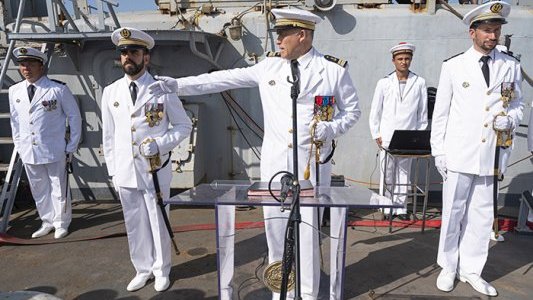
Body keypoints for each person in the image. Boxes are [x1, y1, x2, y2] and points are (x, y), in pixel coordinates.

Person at [149, 8, 361, 300]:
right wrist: (177, 85)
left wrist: (331, 128)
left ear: (302, 35)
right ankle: (281, 290)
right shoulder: (269, 67)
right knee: (275, 229)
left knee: (308, 233)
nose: (278, 40)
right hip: (275, 165)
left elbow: (352, 111)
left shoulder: (333, 70)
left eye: (283, 34)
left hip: (311, 165)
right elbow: (223, 79)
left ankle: (309, 293)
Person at [430, 1, 523, 296]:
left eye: (496, 31)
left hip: (491, 155)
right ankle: (448, 265)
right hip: (459, 153)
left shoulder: (511, 65)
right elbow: (440, 114)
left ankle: (472, 269)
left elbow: (519, 104)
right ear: (472, 32)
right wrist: (439, 152)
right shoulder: (453, 66)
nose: (492, 36)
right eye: (487, 30)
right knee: (453, 212)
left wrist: (511, 118)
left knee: (482, 216)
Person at [101, 27, 192, 292]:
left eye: (134, 52)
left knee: (157, 218)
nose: (128, 56)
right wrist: (114, 172)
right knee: (134, 222)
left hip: (154, 169)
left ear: (146, 57)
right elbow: (109, 136)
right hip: (126, 171)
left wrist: (160, 144)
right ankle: (142, 269)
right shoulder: (111, 92)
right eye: (124, 52)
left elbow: (183, 126)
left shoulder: (162, 89)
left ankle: (162, 269)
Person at [9, 47, 81, 239]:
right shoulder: (14, 91)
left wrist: (71, 146)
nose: (26, 69)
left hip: (54, 149)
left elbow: (74, 117)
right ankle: (47, 221)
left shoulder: (57, 89)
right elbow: (15, 121)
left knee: (59, 186)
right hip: (29, 150)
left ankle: (61, 222)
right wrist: (19, 145)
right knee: (39, 189)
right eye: (23, 65)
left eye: (31, 64)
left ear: (41, 66)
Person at [368, 42, 428, 220]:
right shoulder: (384, 83)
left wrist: (419, 135)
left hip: (408, 136)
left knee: (404, 174)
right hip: (387, 136)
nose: (404, 62)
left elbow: (422, 113)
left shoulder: (419, 83)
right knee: (387, 172)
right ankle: (386, 207)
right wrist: (376, 133)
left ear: (411, 60)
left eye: (407, 59)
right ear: (393, 60)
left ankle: (401, 208)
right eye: (400, 59)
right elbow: (375, 111)